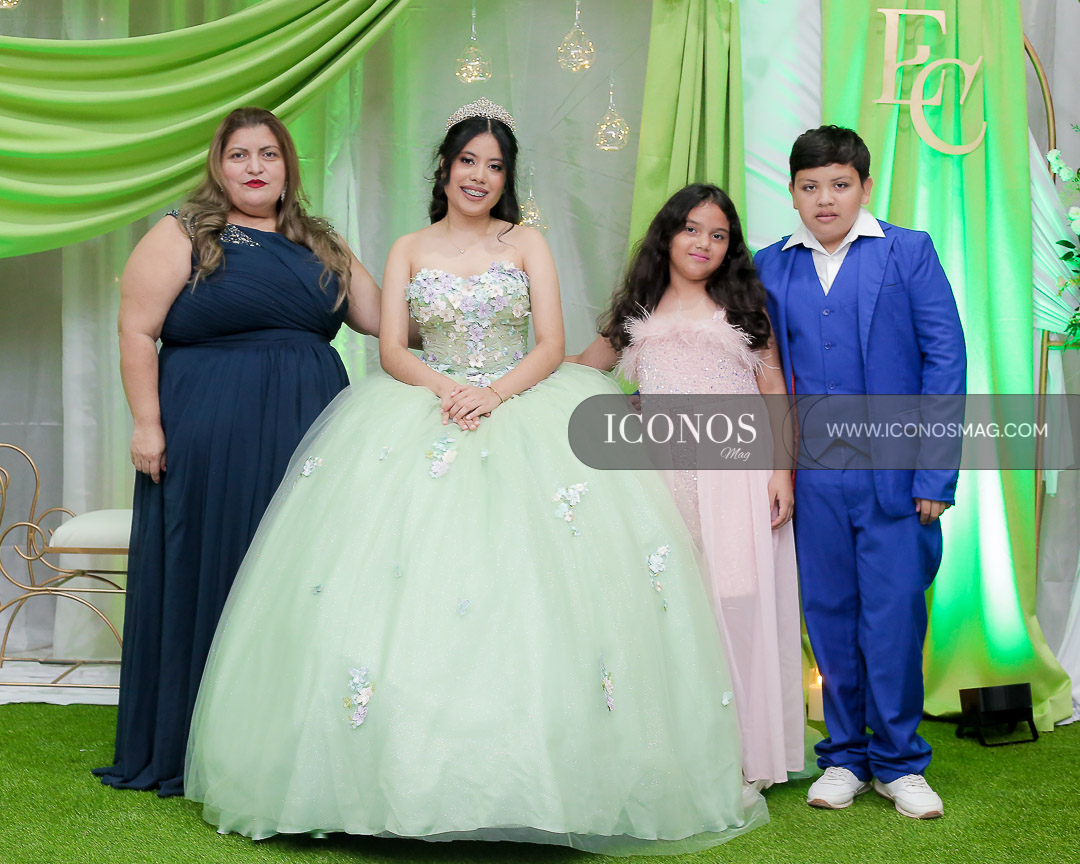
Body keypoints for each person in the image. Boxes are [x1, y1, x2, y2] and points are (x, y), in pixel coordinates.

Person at [184, 99, 766, 853]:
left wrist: (493, 392)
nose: (480, 176)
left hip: (520, 403)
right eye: (468, 161)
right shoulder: (407, 248)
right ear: (445, 167)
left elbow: (551, 342)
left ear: (506, 177)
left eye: (495, 166)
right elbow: (393, 348)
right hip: (424, 407)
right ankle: (384, 779)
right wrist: (448, 389)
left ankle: (548, 782)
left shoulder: (527, 243)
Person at [94, 107, 382, 797]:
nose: (255, 167)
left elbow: (382, 320)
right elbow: (136, 331)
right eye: (239, 155)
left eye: (268, 154)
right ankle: (197, 741)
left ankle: (287, 742)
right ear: (219, 166)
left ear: (288, 165)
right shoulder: (183, 231)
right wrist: (146, 424)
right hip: (208, 432)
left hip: (310, 432)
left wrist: (464, 285)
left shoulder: (321, 240)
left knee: (301, 572)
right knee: (214, 562)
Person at [753, 125, 966, 818]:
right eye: (810, 186)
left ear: (865, 188)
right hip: (812, 478)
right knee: (829, 617)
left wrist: (934, 475)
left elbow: (946, 360)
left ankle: (901, 763)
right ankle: (844, 756)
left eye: (840, 185)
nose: (826, 199)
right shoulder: (769, 265)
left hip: (896, 478)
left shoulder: (909, 251)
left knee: (895, 618)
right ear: (792, 192)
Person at [571, 183, 805, 787]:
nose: (704, 243)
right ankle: (685, 749)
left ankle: (748, 749)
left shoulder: (744, 307)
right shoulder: (637, 313)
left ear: (730, 248)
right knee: (675, 603)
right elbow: (578, 371)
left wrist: (782, 472)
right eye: (692, 229)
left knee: (737, 599)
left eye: (718, 235)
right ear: (668, 235)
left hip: (736, 475)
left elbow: (773, 390)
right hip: (660, 479)